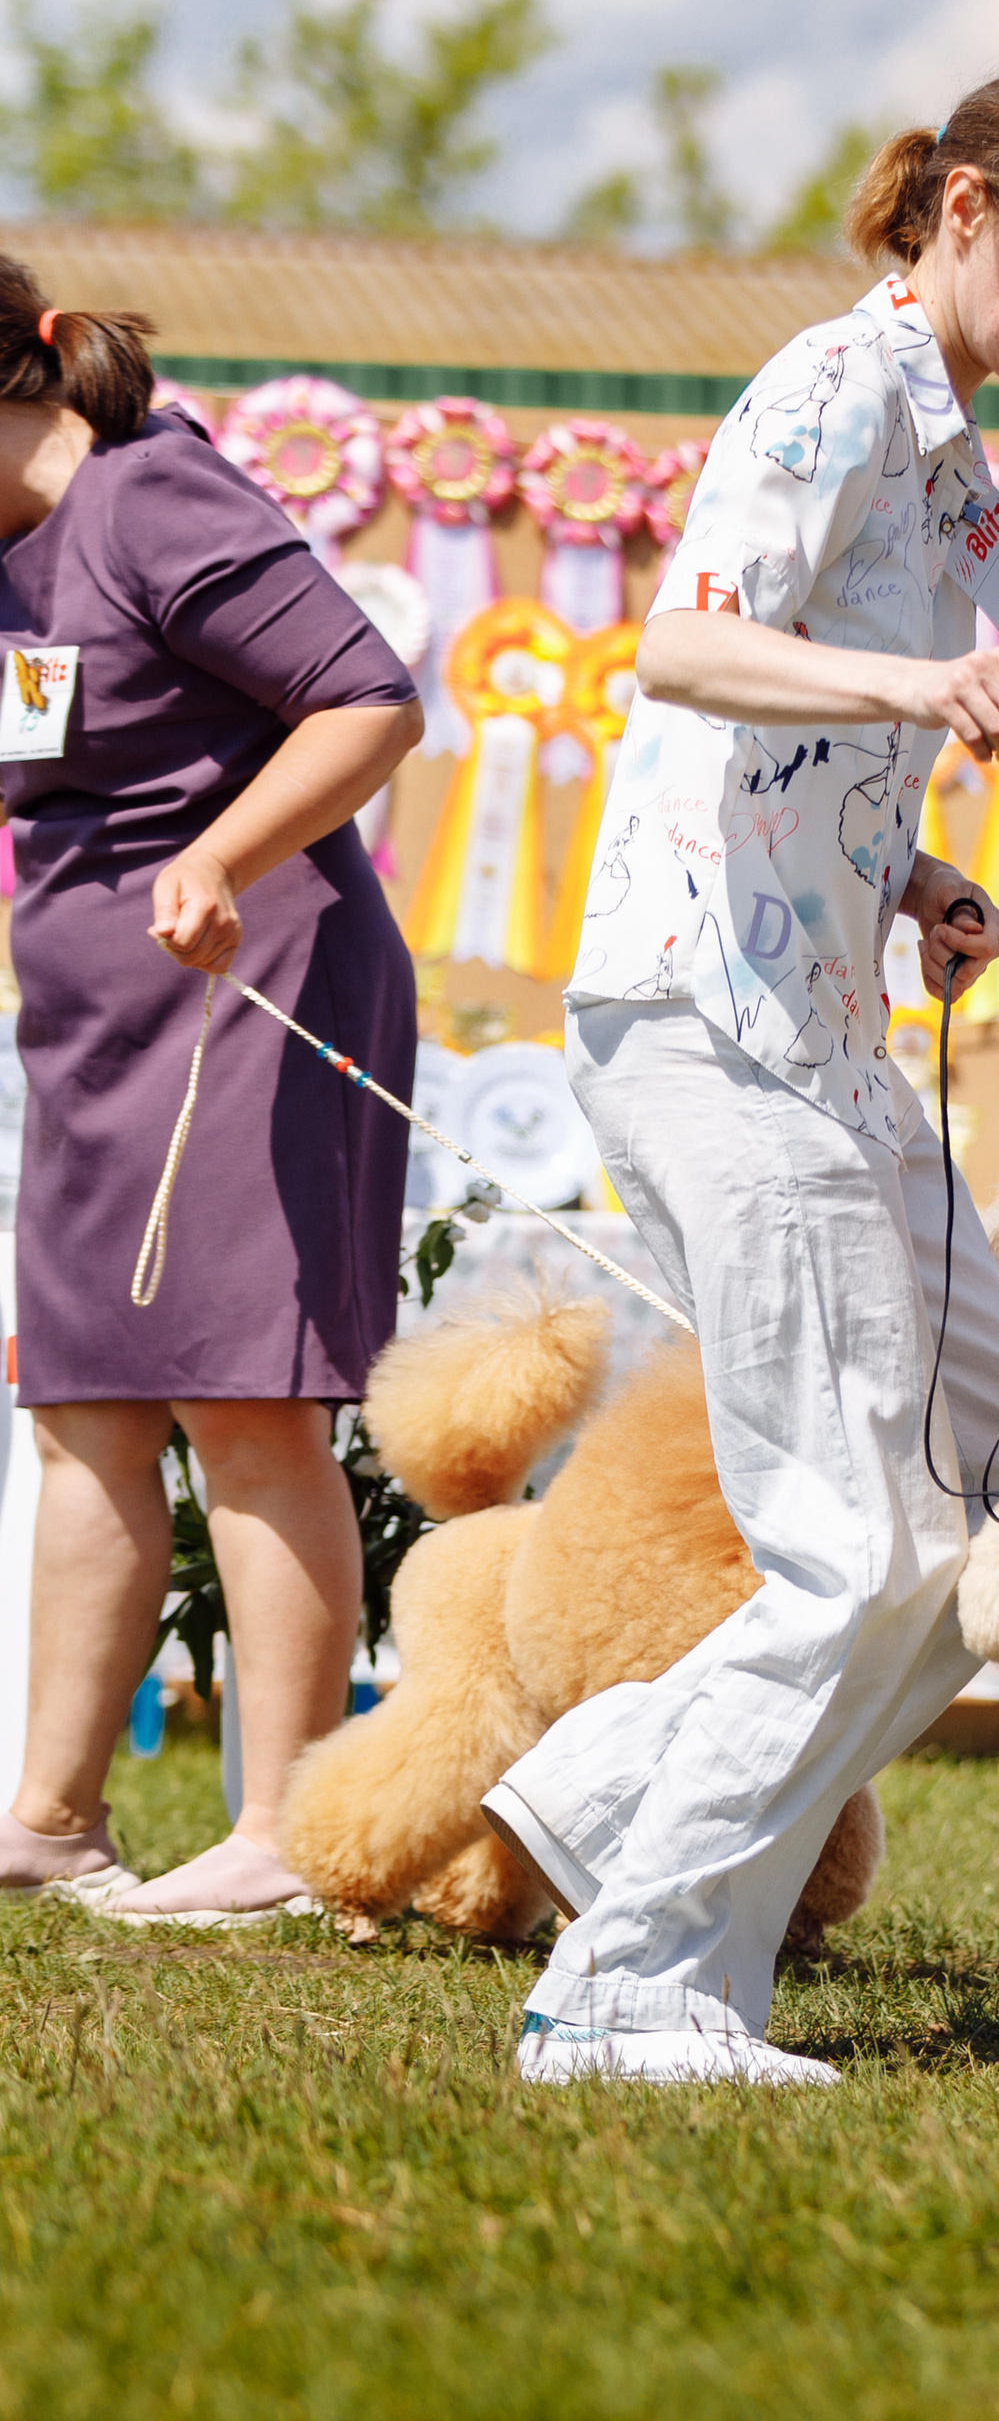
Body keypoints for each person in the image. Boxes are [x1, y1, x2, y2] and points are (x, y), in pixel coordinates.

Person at [489, 65, 999, 2086]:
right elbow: (693, 652)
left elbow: (790, 750)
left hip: (823, 1028)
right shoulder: (827, 385)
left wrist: (909, 873)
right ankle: (629, 1993)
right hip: (708, 1027)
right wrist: (912, 684)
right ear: (966, 208)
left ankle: (610, 1797)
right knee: (857, 1541)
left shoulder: (940, 434)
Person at [0, 269, 424, 1921]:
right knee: (87, 1407)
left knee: (248, 1405)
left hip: (257, 984)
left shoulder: (149, 492)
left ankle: (286, 1838)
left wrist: (220, 851)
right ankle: (48, 1816)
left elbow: (369, 695)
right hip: (90, 1021)